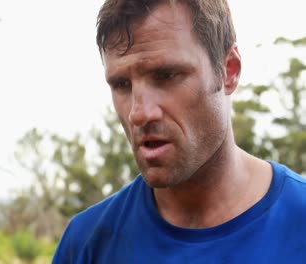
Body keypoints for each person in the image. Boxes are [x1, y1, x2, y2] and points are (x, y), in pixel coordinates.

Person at [52, 0, 306, 263]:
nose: (138, 113)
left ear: (229, 71)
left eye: (166, 75)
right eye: (121, 84)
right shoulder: (86, 244)